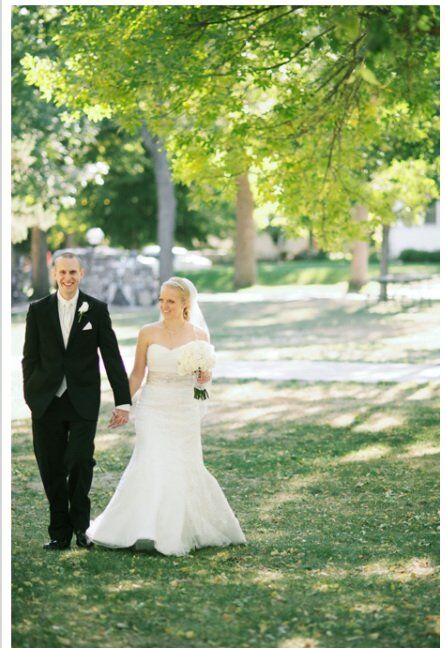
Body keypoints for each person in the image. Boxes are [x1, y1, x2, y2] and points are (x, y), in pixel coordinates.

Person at [87, 276, 246, 556]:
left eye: (170, 301)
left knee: (182, 464)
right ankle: (141, 528)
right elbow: (138, 373)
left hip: (183, 408)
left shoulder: (199, 336)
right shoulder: (148, 332)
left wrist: (202, 379)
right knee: (151, 460)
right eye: (161, 300)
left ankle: (176, 531)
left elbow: (201, 384)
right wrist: (124, 404)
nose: (164, 305)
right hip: (152, 405)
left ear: (185, 304)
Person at [22, 252, 131, 550]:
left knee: (80, 460)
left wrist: (123, 401)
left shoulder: (95, 310)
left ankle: (82, 528)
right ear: (54, 274)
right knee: (51, 466)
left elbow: (111, 357)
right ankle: (59, 533)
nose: (67, 278)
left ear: (81, 274)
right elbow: (29, 358)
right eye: (62, 272)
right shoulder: (38, 310)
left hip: (82, 400)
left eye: (73, 272)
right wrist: (31, 394)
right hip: (46, 401)